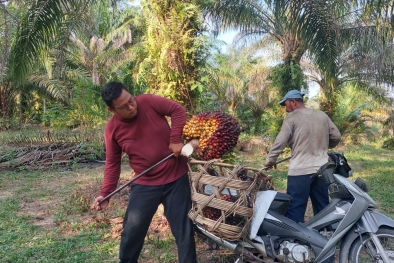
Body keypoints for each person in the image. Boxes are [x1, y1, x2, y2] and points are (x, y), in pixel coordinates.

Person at [91, 81, 197, 263]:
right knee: (132, 232)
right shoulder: (112, 130)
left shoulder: (148, 101)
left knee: (184, 232)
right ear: (112, 110)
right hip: (145, 184)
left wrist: (175, 138)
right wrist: (106, 193)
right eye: (124, 107)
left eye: (131, 100)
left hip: (176, 178)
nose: (132, 106)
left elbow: (178, 110)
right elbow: (113, 163)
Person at [265, 90, 341, 223]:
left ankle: (296, 241)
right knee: (322, 207)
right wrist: (323, 147)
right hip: (322, 169)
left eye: (286, 104)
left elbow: (280, 141)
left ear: (293, 102)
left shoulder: (292, 117)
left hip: (300, 170)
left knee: (295, 207)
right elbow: (336, 136)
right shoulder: (322, 115)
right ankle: (324, 236)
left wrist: (271, 160)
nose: (286, 108)